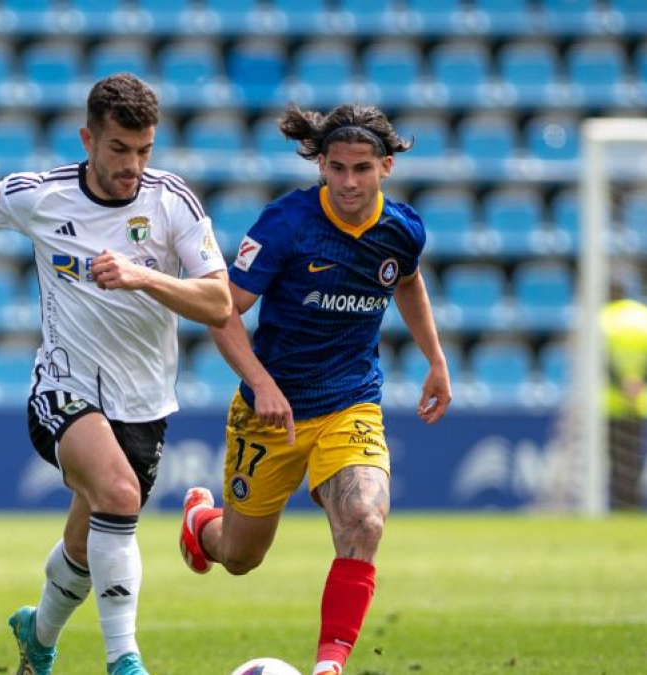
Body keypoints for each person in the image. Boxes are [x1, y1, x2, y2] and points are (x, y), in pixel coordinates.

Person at [0, 73, 232, 675]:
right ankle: (124, 660)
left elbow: (219, 304)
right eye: (119, 149)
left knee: (88, 545)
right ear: (88, 139)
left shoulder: (173, 202)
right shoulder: (42, 194)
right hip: (64, 387)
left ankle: (37, 636)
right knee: (119, 495)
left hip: (145, 403)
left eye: (144, 150)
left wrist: (141, 276)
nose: (132, 165)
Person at [177, 104, 452, 675]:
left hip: (351, 401)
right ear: (321, 164)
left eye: (362, 168)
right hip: (270, 413)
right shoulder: (287, 224)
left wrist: (435, 357)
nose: (349, 182)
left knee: (365, 518)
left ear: (386, 167)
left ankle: (330, 664)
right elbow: (222, 311)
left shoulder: (402, 230)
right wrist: (261, 383)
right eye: (338, 168)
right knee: (241, 557)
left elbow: (407, 281)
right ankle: (202, 526)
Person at [601, 288, 647, 510]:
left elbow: (598, 357)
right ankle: (633, 504)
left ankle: (618, 505)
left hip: (610, 401)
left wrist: (622, 381)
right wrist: (641, 382)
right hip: (640, 400)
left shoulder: (603, 319)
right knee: (633, 455)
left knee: (614, 458)